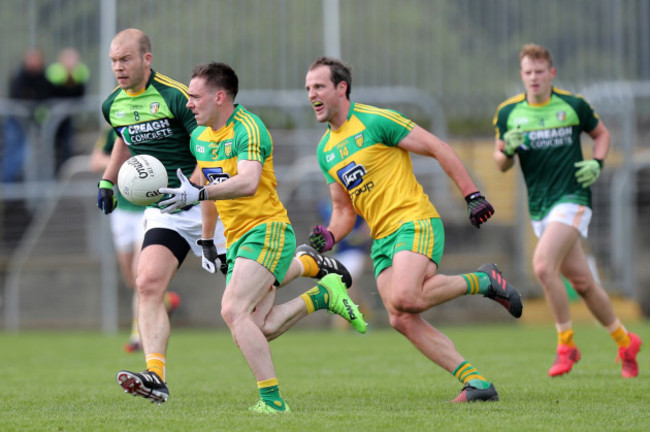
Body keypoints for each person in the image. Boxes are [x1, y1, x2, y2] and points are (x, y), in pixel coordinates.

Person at [303, 56, 523, 403]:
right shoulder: (325, 150)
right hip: (382, 239)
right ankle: (477, 384)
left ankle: (483, 280)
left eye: (318, 87)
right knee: (400, 318)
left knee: (406, 298)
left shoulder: (376, 120)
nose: (311, 95)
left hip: (414, 221)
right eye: (308, 89)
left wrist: (472, 194)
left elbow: (438, 148)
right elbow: (345, 210)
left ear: (341, 88)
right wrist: (331, 234)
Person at [157, 61, 366, 413]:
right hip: (237, 238)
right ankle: (322, 294)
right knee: (257, 327)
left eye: (194, 97)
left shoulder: (248, 128)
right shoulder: (199, 136)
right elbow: (210, 187)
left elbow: (248, 181)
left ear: (219, 97)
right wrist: (207, 240)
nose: (188, 104)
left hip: (267, 230)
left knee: (232, 310)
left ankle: (272, 401)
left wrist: (198, 195)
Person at [492, 43, 641, 378]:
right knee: (584, 284)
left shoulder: (573, 106)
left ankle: (566, 344)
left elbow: (601, 134)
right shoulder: (508, 113)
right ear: (522, 75)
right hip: (540, 206)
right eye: (528, 72)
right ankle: (624, 339)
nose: (533, 78)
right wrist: (508, 151)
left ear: (551, 73)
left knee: (544, 267)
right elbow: (499, 162)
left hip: (572, 197)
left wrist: (597, 162)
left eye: (539, 72)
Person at [96, 28, 228, 404]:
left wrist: (193, 188)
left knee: (259, 301)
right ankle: (155, 376)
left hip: (208, 206)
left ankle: (313, 273)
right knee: (148, 283)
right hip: (165, 212)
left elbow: (209, 147)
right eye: (113, 61)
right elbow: (123, 136)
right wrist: (108, 181)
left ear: (147, 59)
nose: (118, 68)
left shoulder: (174, 96)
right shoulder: (112, 105)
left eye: (125, 60)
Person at [89, 128, 180, 353]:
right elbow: (95, 161)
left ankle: (137, 336)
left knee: (142, 274)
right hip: (122, 212)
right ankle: (166, 302)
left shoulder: (158, 127)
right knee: (132, 279)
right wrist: (123, 164)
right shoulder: (116, 130)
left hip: (149, 211)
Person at [2, 48, 53, 183]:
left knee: (29, 156)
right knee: (15, 154)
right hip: (16, 121)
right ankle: (9, 191)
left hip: (33, 123)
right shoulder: (19, 77)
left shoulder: (43, 77)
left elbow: (46, 94)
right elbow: (20, 96)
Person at [47, 47, 90, 173]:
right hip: (52, 117)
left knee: (67, 146)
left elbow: (80, 94)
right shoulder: (54, 74)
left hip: (67, 118)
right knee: (53, 146)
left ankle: (63, 173)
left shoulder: (79, 74)